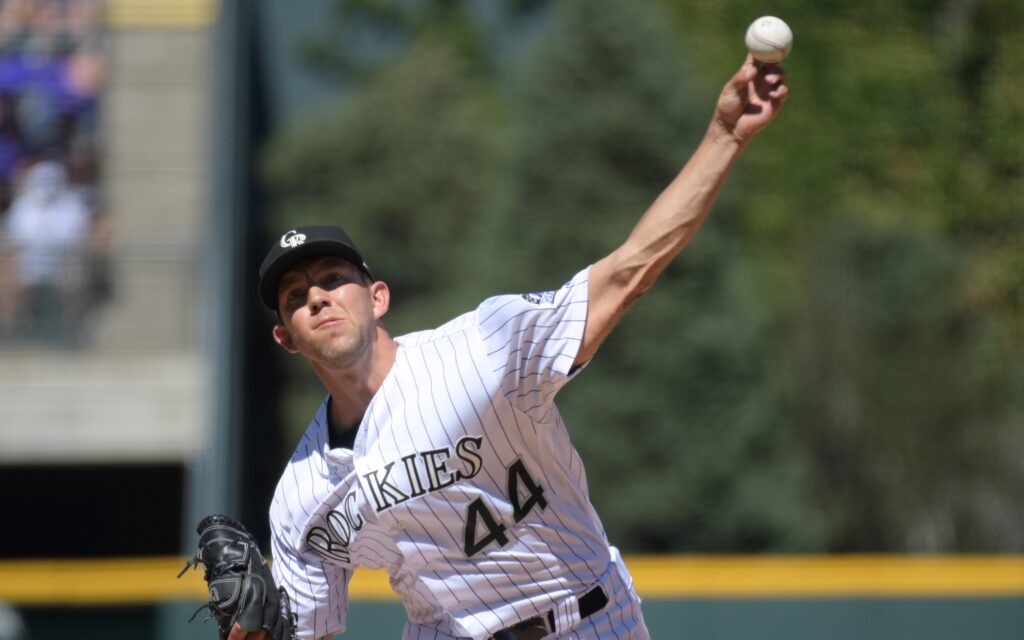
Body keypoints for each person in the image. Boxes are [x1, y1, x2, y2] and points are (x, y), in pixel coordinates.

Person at [244, 56, 788, 640]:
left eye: (332, 279)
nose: (318, 298)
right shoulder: (302, 496)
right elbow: (305, 633)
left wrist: (724, 136)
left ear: (378, 298)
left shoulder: (482, 350)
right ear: (287, 338)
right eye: (297, 296)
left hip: (588, 619)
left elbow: (629, 269)